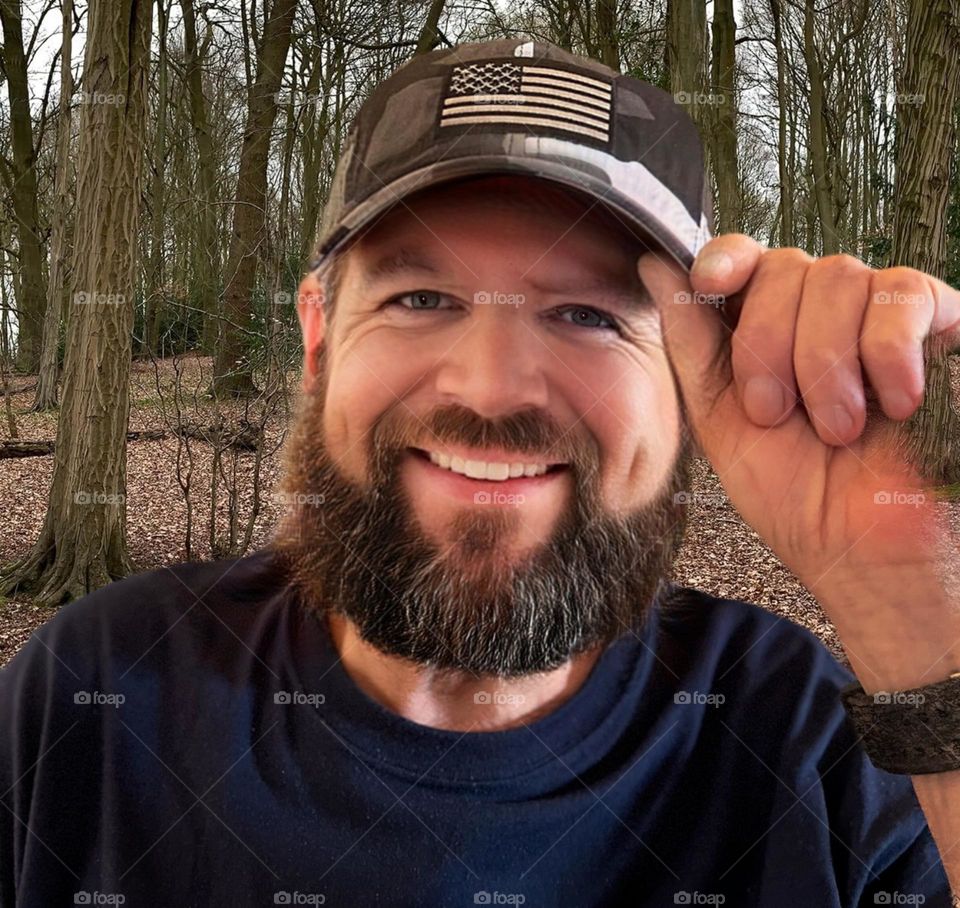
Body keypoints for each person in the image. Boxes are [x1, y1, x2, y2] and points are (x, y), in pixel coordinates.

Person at [2, 38, 957, 907]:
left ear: (686, 377)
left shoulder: (795, 730)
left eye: (587, 313)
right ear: (318, 339)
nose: (493, 389)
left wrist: (917, 595)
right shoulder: (99, 691)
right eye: (421, 297)